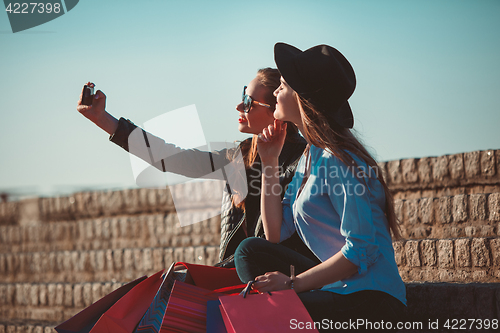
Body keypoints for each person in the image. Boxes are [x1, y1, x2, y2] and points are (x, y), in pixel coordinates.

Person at [234, 44, 406, 331]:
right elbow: (274, 233)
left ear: (302, 99)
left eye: (284, 86)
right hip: (337, 289)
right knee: (249, 251)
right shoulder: (309, 156)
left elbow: (361, 249)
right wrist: (269, 162)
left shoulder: (339, 160)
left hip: (372, 300)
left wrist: (293, 284)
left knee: (271, 316)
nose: (276, 91)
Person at [76, 68, 317, 267]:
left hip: (276, 277)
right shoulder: (237, 157)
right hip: (238, 269)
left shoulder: (304, 160)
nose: (238, 107)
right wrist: (103, 119)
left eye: (247, 102)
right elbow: (170, 157)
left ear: (274, 112)